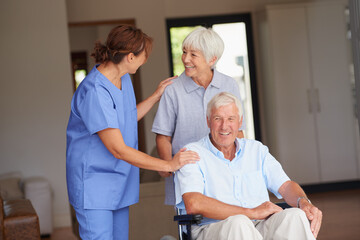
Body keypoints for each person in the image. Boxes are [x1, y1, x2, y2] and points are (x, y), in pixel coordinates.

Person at [66, 25, 199, 240]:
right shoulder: (95, 91)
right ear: (130, 57)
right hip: (94, 186)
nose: (145, 60)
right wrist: (168, 164)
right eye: (144, 55)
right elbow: (118, 149)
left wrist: (156, 95)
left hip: (118, 181)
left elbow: (125, 118)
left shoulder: (123, 78)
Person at [174, 92, 322, 240]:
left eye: (231, 119)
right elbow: (194, 203)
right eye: (217, 118)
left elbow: (286, 186)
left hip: (258, 226)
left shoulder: (256, 150)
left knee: (295, 215)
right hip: (212, 229)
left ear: (240, 121)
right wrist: (250, 212)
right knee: (239, 222)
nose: (224, 126)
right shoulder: (192, 153)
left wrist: (303, 202)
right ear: (208, 121)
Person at [152, 27, 246, 205]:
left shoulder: (228, 84)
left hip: (223, 174)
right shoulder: (173, 90)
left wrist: (238, 165)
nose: (186, 59)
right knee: (193, 229)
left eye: (193, 55)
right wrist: (167, 166)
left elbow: (238, 132)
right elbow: (163, 136)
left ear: (212, 59)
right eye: (184, 52)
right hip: (187, 176)